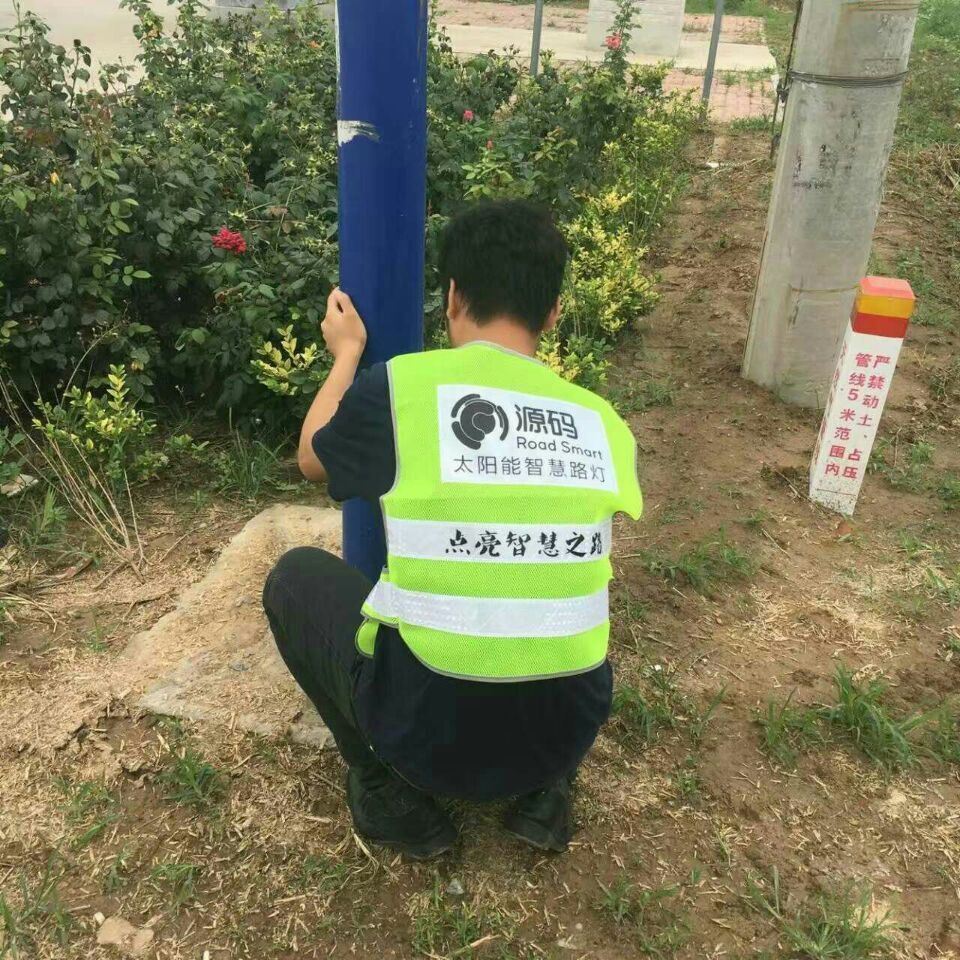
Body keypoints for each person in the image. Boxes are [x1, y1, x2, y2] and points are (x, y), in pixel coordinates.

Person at [262, 199, 642, 860]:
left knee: (294, 578)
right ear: (553, 312)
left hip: (426, 740)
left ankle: (389, 793)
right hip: (561, 737)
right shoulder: (603, 423)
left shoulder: (405, 389)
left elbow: (312, 458)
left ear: (453, 297)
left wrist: (346, 354)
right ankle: (545, 798)